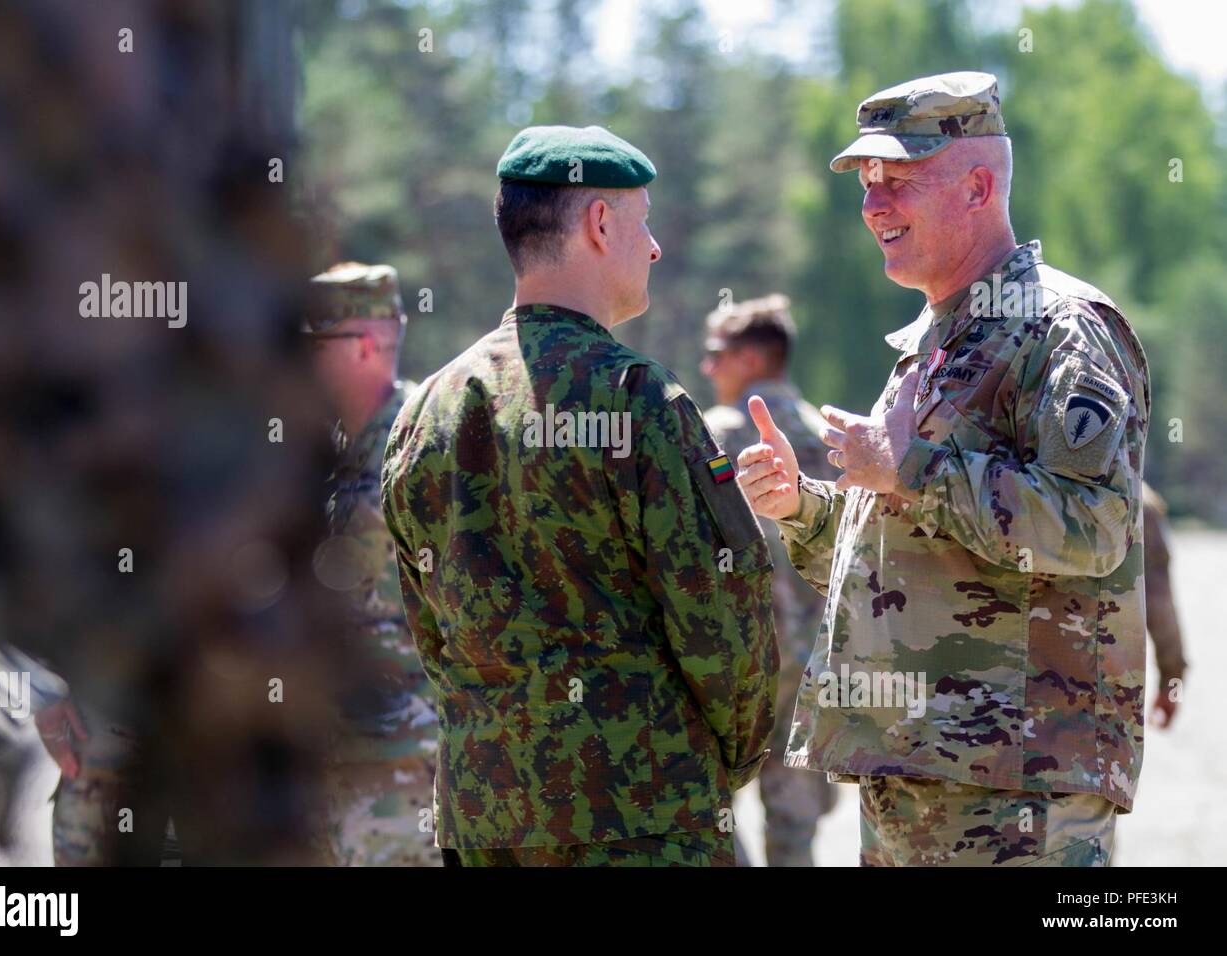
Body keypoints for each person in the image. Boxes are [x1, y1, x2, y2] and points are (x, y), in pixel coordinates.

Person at [736, 72, 1150, 866]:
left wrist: (913, 468)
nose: (873, 206)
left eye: (899, 181)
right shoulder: (935, 341)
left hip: (1013, 785)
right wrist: (805, 511)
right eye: (867, 183)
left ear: (979, 185)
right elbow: (913, 550)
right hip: (913, 773)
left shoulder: (1060, 331)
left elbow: (1093, 528)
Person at [381, 125, 778, 866]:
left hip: (484, 816)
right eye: (643, 220)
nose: (654, 246)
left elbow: (432, 633)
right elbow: (722, 623)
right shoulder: (640, 399)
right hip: (641, 818)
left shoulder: (425, 411)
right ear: (600, 224)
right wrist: (723, 762)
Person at [305, 262, 441, 866]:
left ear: (361, 345)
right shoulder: (323, 450)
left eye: (311, 346)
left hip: (408, 774)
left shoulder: (429, 445)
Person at [700, 295, 837, 866]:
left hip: (733, 662)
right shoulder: (834, 437)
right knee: (795, 824)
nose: (707, 368)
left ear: (751, 358)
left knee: (705, 807)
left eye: (716, 353)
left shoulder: (712, 435)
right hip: (816, 663)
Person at [1141, 482, 1187, 729]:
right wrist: (1172, 685)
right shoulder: (1140, 501)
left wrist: (1172, 684)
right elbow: (1161, 609)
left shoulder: (1007, 479)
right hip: (1098, 697)